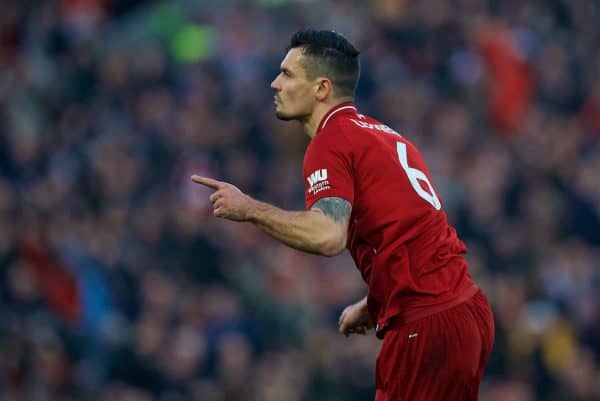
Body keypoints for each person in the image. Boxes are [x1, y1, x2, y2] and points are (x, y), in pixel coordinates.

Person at [192, 29, 494, 401]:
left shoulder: (331, 141)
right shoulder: (386, 136)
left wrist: (249, 209)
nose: (274, 84)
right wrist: (375, 302)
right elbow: (413, 234)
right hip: (464, 312)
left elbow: (327, 236)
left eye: (287, 74)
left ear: (321, 89)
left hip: (426, 324)